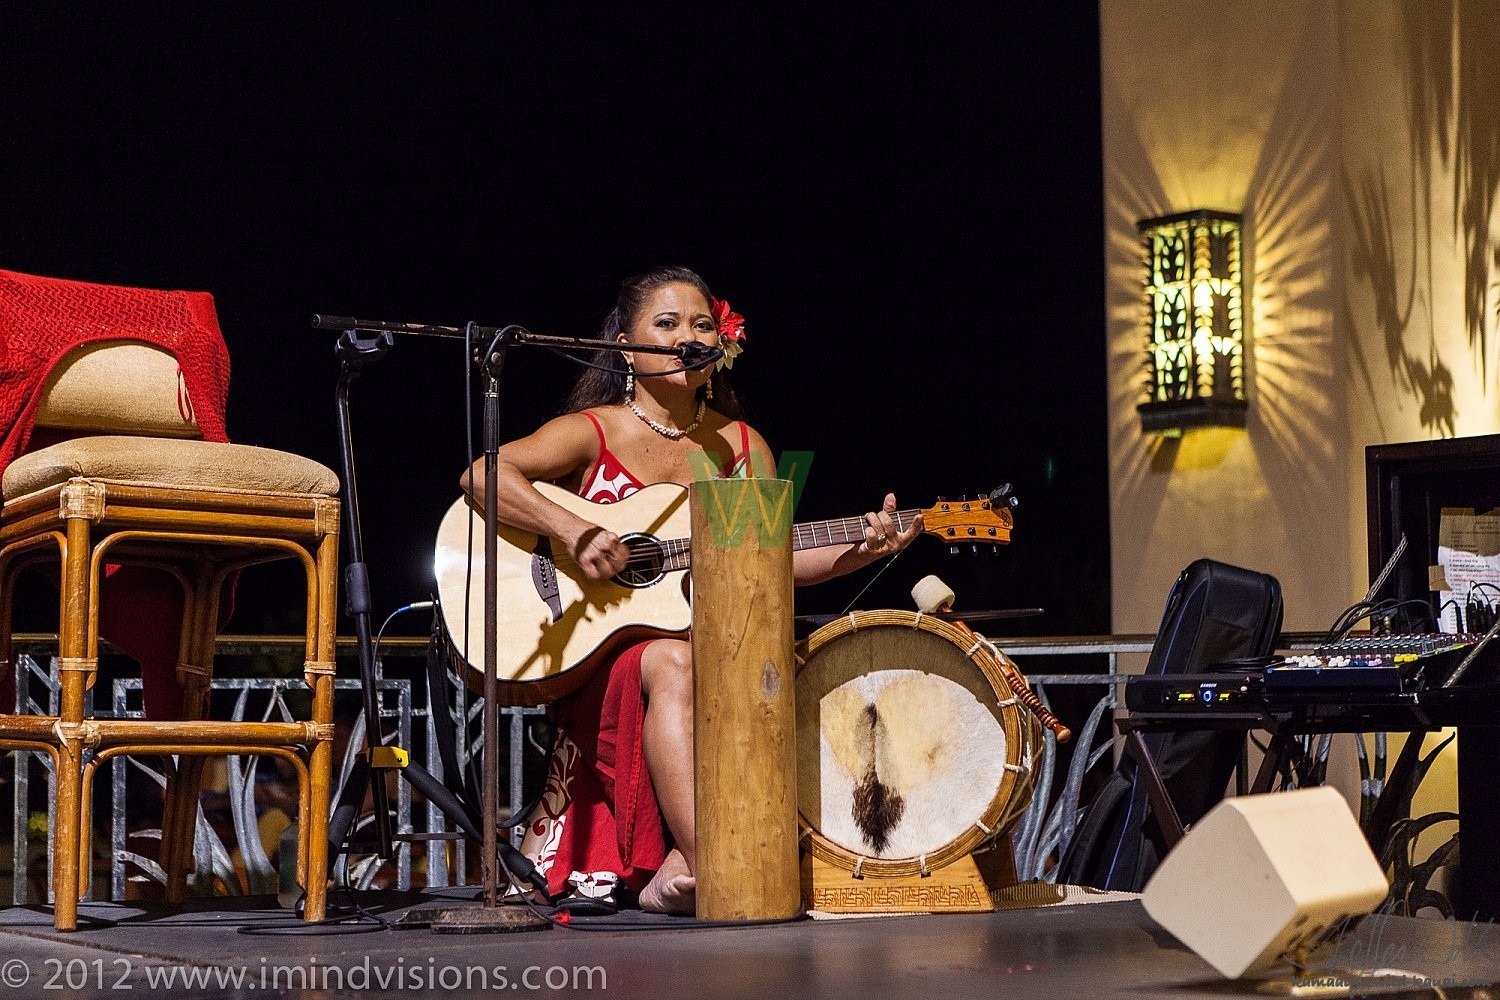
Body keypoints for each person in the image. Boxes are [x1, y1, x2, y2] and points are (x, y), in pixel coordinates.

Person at [460, 266, 921, 914]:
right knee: (675, 661)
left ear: (720, 345)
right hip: (601, 658)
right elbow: (483, 475)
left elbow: (774, 561)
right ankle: (717, 861)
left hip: (714, 653)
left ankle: (679, 864)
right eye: (667, 324)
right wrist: (573, 529)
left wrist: (862, 550)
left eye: (701, 324)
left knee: (735, 661)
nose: (687, 335)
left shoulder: (737, 447)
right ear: (625, 345)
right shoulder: (597, 430)